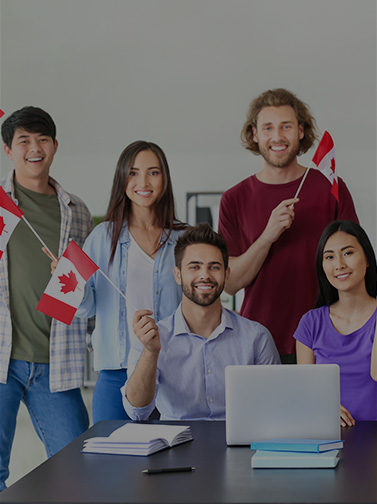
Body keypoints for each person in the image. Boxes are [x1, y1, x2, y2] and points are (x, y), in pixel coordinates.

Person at [218, 88, 358, 363]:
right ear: (255, 134)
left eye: (286, 127)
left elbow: (356, 266)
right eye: (268, 127)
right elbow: (231, 283)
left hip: (328, 337)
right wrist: (267, 235)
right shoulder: (234, 199)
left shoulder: (332, 188)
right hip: (259, 341)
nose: (277, 137)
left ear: (301, 131)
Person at [0, 107, 93, 492]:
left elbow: (85, 293)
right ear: (9, 150)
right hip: (3, 359)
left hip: (57, 363)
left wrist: (69, 282)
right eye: (24, 141)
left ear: (55, 146)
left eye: (42, 140)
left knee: (78, 469)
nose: (34, 148)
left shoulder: (78, 213)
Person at [123, 223, 280, 421]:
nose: (205, 275)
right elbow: (137, 411)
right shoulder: (151, 337)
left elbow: (275, 407)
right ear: (178, 275)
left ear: (226, 274)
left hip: (240, 446)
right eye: (194, 267)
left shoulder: (256, 337)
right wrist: (151, 352)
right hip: (176, 447)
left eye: (214, 267)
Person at [76, 141, 186, 423]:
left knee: (177, 461)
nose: (143, 182)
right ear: (122, 179)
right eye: (133, 173)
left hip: (174, 371)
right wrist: (70, 283)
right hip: (116, 374)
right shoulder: (102, 237)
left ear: (165, 178)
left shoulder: (183, 239)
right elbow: (86, 308)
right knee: (112, 466)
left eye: (153, 172)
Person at [294, 220, 377, 425]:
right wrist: (323, 407)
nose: (339, 264)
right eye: (329, 257)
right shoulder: (310, 323)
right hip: (327, 434)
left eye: (348, 253)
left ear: (367, 259)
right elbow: (305, 393)